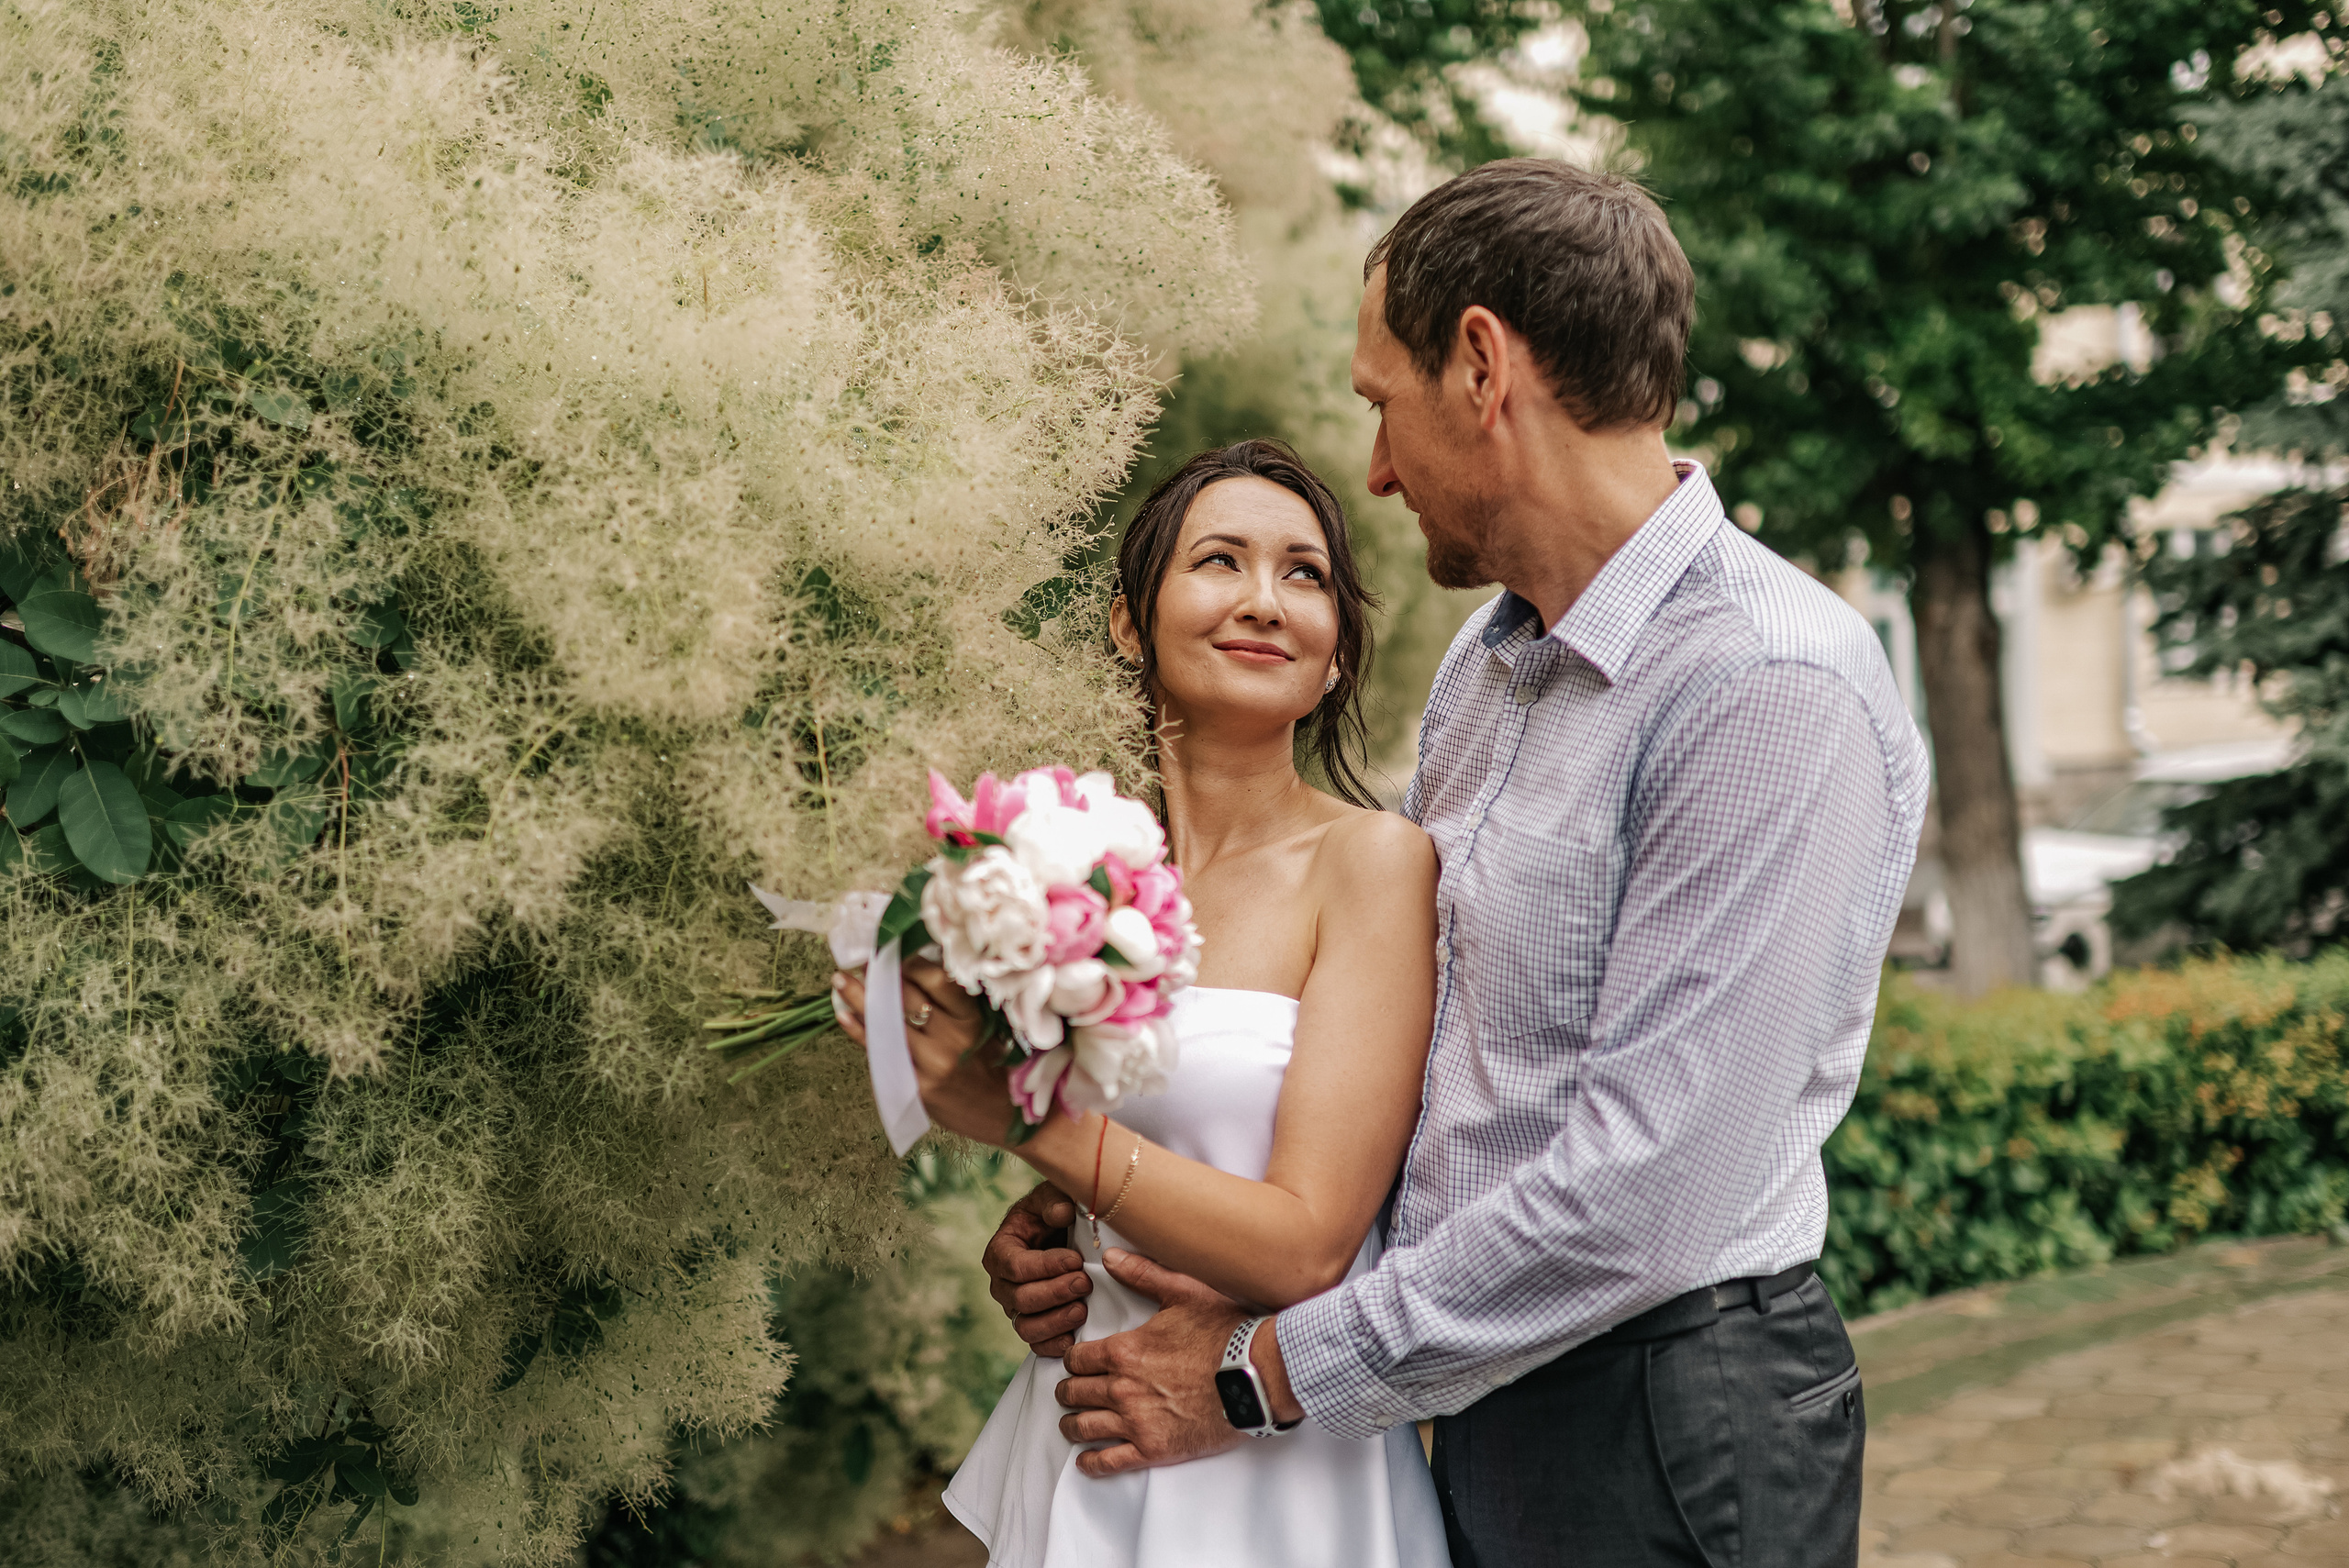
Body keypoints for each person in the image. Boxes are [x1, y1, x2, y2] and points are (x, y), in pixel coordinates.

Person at [982, 159, 1932, 1568]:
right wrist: (1105, 1195)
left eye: (1382, 404)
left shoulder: (1766, 683)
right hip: (1472, 1400)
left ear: (1480, 366)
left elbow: (1644, 1197)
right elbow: (1411, 1073)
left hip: (1666, 1420)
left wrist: (1267, 1371)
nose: (1374, 468)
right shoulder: (1493, 677)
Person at [834, 438, 1453, 1567]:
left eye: (1305, 574)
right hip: (1088, 1425)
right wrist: (1051, 1232)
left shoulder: (1368, 861)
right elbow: (1141, 1146)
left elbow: (1309, 1243)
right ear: (1129, 621)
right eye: (1220, 561)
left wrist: (1036, 1131)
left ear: (1334, 658)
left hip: (1273, 1467)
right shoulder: (1059, 866)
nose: (1265, 600)